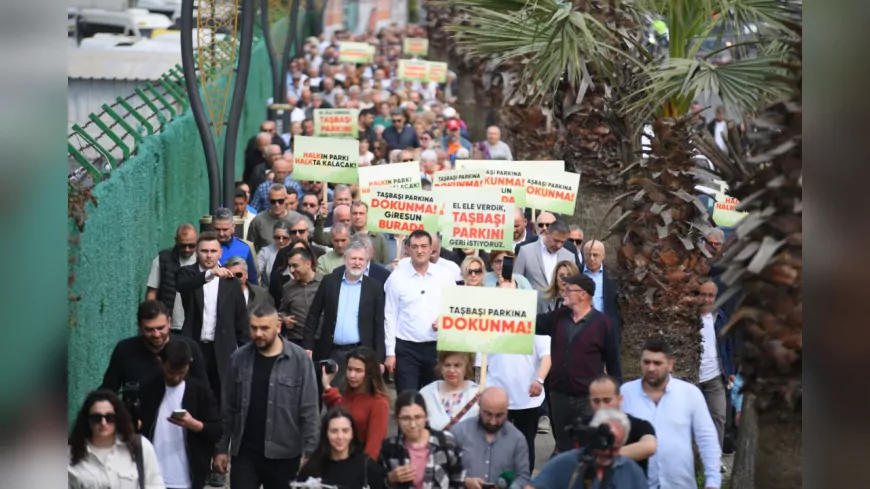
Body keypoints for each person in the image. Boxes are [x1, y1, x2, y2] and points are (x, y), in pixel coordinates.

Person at [214, 304, 320, 489]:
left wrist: (309, 455)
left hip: (285, 456)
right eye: (254, 328)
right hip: (245, 454)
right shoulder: (239, 359)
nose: (258, 334)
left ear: (278, 327)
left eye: (264, 328)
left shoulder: (300, 360)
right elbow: (228, 408)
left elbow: (310, 410)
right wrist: (221, 449)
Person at [534, 274, 621, 454]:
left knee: (587, 445)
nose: (564, 293)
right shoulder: (558, 317)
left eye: (568, 290)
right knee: (563, 446)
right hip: (559, 396)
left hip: (587, 398)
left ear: (583, 294)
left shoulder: (603, 324)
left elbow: (613, 363)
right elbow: (532, 323)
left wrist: (614, 398)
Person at [621, 338, 721, 489]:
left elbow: (707, 438)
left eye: (657, 363)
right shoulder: (625, 393)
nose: (651, 368)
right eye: (646, 362)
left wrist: (713, 481)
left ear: (670, 365)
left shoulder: (689, 393)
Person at [176, 231, 250, 402]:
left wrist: (247, 354)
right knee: (193, 397)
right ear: (196, 252)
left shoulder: (231, 282)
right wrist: (210, 274)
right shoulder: (187, 273)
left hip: (223, 350)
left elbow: (241, 322)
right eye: (204, 251)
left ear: (220, 253)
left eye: (213, 251)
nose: (209, 255)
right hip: (195, 347)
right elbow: (183, 286)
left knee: (221, 399)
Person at [139, 340, 222, 489]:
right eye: (170, 372)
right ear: (160, 362)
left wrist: (194, 425)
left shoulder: (201, 392)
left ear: (189, 364)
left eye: (181, 372)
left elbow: (217, 430)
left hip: (187, 480)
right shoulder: (148, 389)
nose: (176, 377)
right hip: (151, 479)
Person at [384, 230, 457, 393]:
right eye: (415, 247)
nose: (420, 251)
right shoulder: (396, 278)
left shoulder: (445, 275)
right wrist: (390, 353)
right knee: (407, 398)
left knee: (436, 400)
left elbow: (454, 307)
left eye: (424, 246)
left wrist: (444, 319)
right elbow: (390, 316)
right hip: (406, 350)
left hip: (437, 348)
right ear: (407, 249)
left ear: (432, 248)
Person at [304, 241, 386, 376]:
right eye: (353, 258)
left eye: (361, 259)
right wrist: (308, 345)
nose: (357, 263)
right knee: (331, 393)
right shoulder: (329, 282)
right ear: (345, 259)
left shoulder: (374, 288)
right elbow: (314, 314)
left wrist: (379, 359)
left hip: (362, 353)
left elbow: (379, 326)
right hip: (331, 352)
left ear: (366, 262)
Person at [100, 300, 208, 395]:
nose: (156, 334)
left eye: (161, 328)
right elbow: (109, 390)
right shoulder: (124, 350)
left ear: (169, 322)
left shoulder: (189, 347)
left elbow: (204, 391)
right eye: (149, 329)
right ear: (139, 326)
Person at [525, 409, 648, 489]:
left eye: (615, 448)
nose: (607, 452)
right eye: (603, 445)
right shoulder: (567, 463)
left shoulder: (632, 472)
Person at [68, 389, 165, 489]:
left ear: (118, 418)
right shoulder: (70, 454)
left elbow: (155, 485)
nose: (103, 423)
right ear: (87, 420)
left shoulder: (140, 446)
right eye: (96, 418)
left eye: (109, 417)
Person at [485, 327, 551, 470]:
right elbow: (481, 360)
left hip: (528, 398)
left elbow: (546, 356)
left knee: (525, 447)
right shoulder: (490, 322)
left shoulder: (535, 322)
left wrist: (539, 380)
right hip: (496, 398)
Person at [378, 391, 465, 489]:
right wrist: (390, 478)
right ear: (397, 420)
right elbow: (376, 482)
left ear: (426, 416)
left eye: (418, 417)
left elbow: (458, 477)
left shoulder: (445, 441)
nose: (412, 425)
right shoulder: (389, 447)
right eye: (406, 418)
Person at [450, 387, 531, 489]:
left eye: (499, 416)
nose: (493, 422)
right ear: (479, 405)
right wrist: (464, 482)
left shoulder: (517, 439)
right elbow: (445, 473)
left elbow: (523, 477)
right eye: (488, 414)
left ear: (507, 410)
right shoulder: (459, 432)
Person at [320, 347, 390, 460]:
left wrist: (362, 470)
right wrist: (327, 385)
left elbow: (374, 446)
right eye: (349, 369)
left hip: (360, 462)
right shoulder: (346, 394)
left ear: (369, 373)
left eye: (358, 370)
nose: (352, 375)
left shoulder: (379, 402)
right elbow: (337, 412)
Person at [297, 407, 385, 488]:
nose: (340, 436)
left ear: (352, 433)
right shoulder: (311, 469)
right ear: (326, 434)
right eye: (334, 431)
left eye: (345, 431)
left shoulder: (368, 468)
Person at [588, 375, 657, 476]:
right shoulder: (584, 425)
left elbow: (649, 446)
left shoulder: (639, 425)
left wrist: (605, 456)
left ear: (619, 399)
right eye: (596, 401)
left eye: (607, 400)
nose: (601, 406)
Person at [696, 280, 735, 449]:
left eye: (711, 296)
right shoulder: (685, 317)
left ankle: (715, 457)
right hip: (692, 376)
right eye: (702, 295)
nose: (706, 300)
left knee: (719, 416)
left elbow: (727, 345)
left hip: (715, 376)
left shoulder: (719, 317)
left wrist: (730, 370)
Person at [145, 224, 198, 331]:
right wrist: (151, 318)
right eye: (183, 245)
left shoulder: (202, 259)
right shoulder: (163, 259)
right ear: (176, 240)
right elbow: (152, 292)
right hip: (167, 325)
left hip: (195, 325)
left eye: (191, 245)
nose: (187, 249)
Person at [419, 351, 480, 431]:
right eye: (447, 365)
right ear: (440, 367)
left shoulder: (478, 393)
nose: (451, 370)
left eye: (457, 365)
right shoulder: (427, 393)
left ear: (466, 367)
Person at [278, 246, 324, 347]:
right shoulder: (288, 287)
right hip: (296, 340)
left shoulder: (324, 282)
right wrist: (285, 318)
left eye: (295, 265)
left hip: (321, 339)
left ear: (308, 264)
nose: (291, 270)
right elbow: (282, 310)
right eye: (289, 266)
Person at [514, 220, 576, 293]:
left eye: (562, 242)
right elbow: (516, 281)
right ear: (546, 233)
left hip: (559, 303)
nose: (559, 245)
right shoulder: (526, 251)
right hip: (533, 303)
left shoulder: (569, 256)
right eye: (556, 240)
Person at [582, 240, 622, 344]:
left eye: (595, 255)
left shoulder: (612, 276)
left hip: (605, 329)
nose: (591, 258)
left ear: (603, 256)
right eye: (588, 254)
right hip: (580, 329)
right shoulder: (576, 273)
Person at [256, 220, 293, 288]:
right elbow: (256, 272)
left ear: (291, 237)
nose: (281, 241)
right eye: (277, 237)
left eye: (285, 238)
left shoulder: (295, 251)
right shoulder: (265, 252)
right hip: (269, 293)